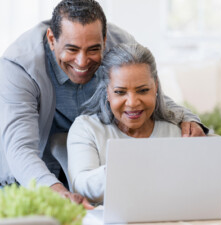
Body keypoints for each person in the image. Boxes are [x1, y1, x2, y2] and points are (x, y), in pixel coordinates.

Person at [0, 0, 206, 208]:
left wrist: (186, 117)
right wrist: (57, 192)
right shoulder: (19, 65)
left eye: (93, 50)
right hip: (31, 173)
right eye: (72, 49)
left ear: (105, 40)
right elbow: (21, 149)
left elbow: (145, 89)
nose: (82, 62)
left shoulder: (120, 44)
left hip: (86, 159)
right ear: (52, 39)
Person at [68, 43, 182, 204]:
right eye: (120, 92)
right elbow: (81, 186)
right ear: (106, 91)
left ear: (155, 86)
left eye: (143, 90)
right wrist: (126, 168)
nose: (133, 103)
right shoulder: (87, 128)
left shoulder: (175, 131)